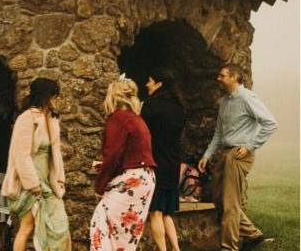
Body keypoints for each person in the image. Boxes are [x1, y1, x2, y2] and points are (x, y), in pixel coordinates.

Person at [197, 64, 277, 251]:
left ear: (234, 78)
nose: (218, 78)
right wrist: (207, 155)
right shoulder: (224, 101)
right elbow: (218, 132)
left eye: (222, 75)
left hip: (239, 155)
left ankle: (229, 247)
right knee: (218, 199)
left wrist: (250, 147)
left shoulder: (248, 98)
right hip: (224, 153)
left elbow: (270, 124)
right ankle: (252, 233)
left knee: (230, 205)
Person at [2, 77, 69, 251]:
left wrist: (58, 179)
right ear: (46, 96)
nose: (57, 100)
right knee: (27, 226)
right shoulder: (26, 118)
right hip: (30, 184)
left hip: (48, 182)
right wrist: (33, 184)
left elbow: (54, 155)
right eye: (54, 96)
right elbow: (21, 155)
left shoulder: (51, 119)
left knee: (60, 227)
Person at [90, 77, 156, 251]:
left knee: (101, 224)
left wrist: (100, 185)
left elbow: (112, 155)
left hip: (132, 180)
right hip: (145, 178)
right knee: (125, 236)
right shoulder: (137, 119)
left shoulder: (117, 118)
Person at [141, 68, 186, 251]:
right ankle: (175, 248)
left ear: (159, 84)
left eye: (149, 80)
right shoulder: (179, 108)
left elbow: (142, 134)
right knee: (167, 213)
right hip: (172, 162)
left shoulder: (151, 106)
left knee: (155, 213)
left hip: (156, 162)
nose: (146, 84)